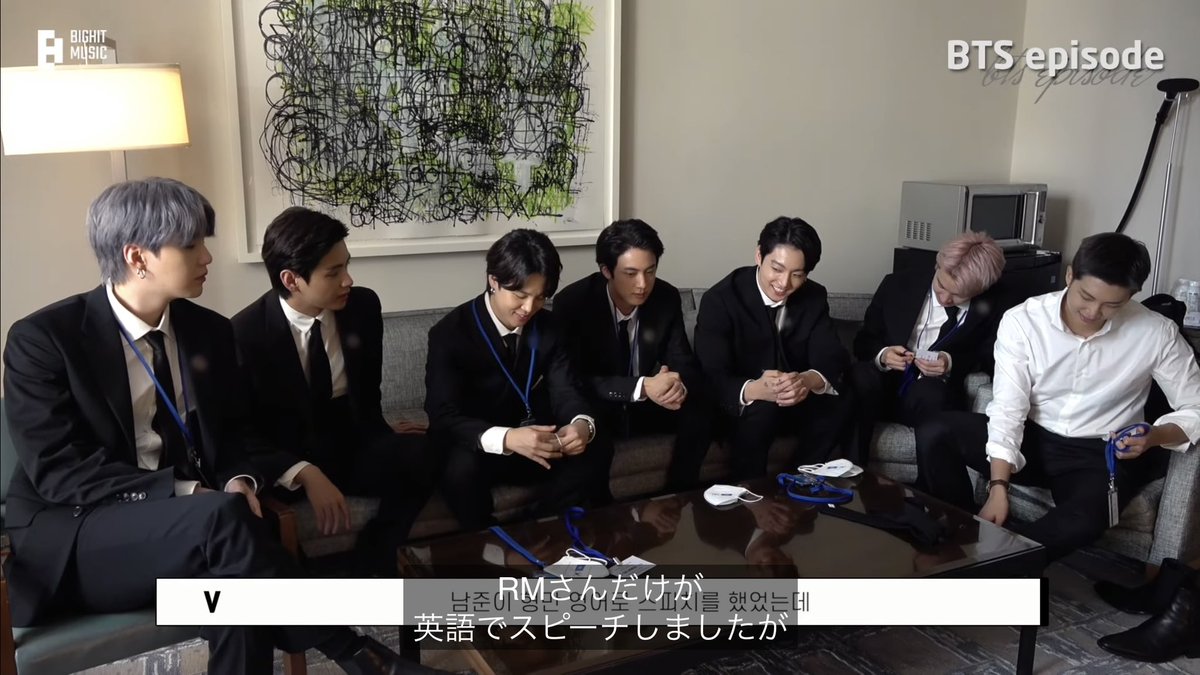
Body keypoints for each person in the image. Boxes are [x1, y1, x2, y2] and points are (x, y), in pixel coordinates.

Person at [1, 179, 447, 673]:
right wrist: (191, 492)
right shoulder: (44, 340)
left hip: (191, 536)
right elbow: (61, 472)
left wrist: (237, 478)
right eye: (191, 245)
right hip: (80, 541)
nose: (207, 257)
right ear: (137, 257)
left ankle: (367, 660)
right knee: (225, 521)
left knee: (236, 596)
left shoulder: (207, 331)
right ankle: (359, 654)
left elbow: (232, 433)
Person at [914, 233, 1200, 561]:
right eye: (1086, 296)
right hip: (1031, 438)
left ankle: (992, 567)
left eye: (1112, 305)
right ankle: (959, 537)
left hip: (1095, 454)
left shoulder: (1156, 332)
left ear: (1132, 295)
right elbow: (1008, 408)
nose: (1093, 312)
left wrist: (1156, 435)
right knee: (936, 430)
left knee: (1085, 520)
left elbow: (1195, 405)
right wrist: (998, 487)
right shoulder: (1024, 321)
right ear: (1069, 276)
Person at [232, 206, 435, 575]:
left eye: (346, 266)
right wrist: (304, 472)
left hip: (350, 444)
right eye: (333, 272)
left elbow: (367, 393)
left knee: (426, 453)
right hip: (287, 456)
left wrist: (384, 432)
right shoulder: (244, 334)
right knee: (250, 513)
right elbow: (243, 434)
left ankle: (375, 558)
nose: (348, 281)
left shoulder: (362, 307)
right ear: (292, 279)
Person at [424, 228, 606, 530]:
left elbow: (566, 390)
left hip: (534, 440)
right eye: (520, 296)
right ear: (493, 281)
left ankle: (532, 530)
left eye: (540, 297)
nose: (529, 309)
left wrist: (580, 425)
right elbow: (442, 416)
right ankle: (491, 540)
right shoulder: (450, 333)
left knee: (596, 444)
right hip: (481, 445)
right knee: (458, 467)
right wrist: (508, 438)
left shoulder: (550, 326)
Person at [552, 219, 712, 494]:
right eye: (630, 273)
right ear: (606, 270)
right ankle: (603, 513)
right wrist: (642, 387)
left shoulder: (665, 297)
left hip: (647, 407)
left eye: (650, 271)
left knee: (700, 409)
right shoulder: (574, 303)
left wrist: (676, 387)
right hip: (601, 404)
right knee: (589, 425)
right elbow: (574, 381)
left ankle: (678, 498)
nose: (642, 284)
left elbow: (683, 363)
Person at [693, 216, 852, 480]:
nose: (784, 283)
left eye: (797, 275)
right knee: (762, 408)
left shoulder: (813, 296)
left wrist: (805, 381)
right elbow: (711, 376)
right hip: (743, 406)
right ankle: (751, 491)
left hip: (793, 402)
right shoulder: (720, 299)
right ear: (759, 255)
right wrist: (756, 389)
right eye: (776, 269)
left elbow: (831, 357)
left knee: (845, 394)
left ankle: (799, 481)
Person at [847, 232, 1007, 465]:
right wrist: (883, 355)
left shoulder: (995, 306)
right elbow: (863, 341)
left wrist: (950, 362)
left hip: (930, 397)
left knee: (931, 393)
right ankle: (851, 472)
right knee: (860, 376)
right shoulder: (896, 284)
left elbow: (990, 356)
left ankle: (929, 486)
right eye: (941, 286)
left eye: (958, 295)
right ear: (936, 266)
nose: (945, 298)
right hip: (881, 388)